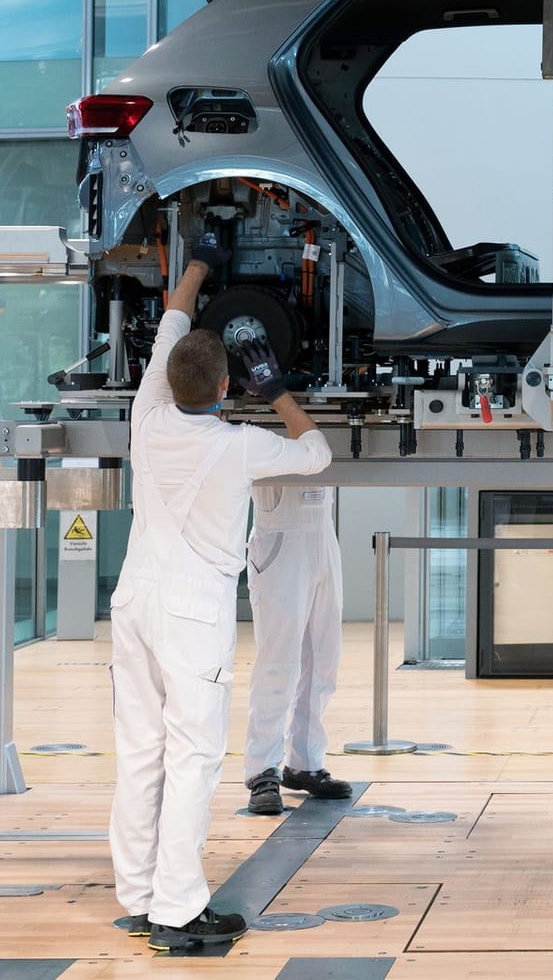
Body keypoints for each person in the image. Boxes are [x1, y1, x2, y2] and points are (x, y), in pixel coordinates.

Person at [109, 228, 333, 953]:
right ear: (229, 387)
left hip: (135, 602)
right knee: (193, 758)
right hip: (189, 616)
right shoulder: (238, 443)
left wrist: (201, 261)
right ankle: (178, 911)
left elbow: (174, 320)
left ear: (171, 379)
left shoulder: (146, 415)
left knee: (140, 750)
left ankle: (140, 897)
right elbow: (316, 453)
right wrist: (278, 392)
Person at [242, 484, 352, 815]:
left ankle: (305, 762)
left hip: (323, 532)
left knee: (323, 660)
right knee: (278, 664)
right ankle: (262, 770)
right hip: (279, 532)